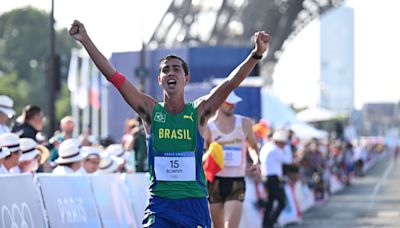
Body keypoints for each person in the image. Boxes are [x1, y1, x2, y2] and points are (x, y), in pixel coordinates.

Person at [69, 19, 270, 227]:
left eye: (176, 69)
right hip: (161, 206)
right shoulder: (150, 110)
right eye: (166, 70)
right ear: (159, 79)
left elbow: (230, 83)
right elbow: (113, 76)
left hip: (194, 205)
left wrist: (256, 54)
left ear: (186, 78)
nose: (171, 73)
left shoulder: (199, 112)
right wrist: (85, 40)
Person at [203, 91, 259, 228]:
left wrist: (256, 160)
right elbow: (202, 155)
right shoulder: (209, 127)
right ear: (219, 103)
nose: (232, 106)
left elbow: (252, 146)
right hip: (214, 181)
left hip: (236, 180)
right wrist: (211, 154)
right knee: (218, 226)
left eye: (234, 103)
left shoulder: (245, 123)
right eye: (228, 103)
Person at [259, 129, 292, 228]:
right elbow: (288, 160)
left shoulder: (267, 147)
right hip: (273, 179)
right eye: (283, 143)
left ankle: (266, 224)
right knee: (281, 202)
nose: (284, 145)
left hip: (266, 178)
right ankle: (269, 224)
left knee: (270, 203)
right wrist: (287, 148)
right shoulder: (274, 149)